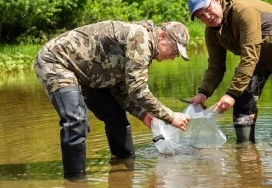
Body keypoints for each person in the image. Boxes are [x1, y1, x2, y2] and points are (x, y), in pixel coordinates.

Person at [34, 20, 191, 179]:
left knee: (116, 116)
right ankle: (75, 180)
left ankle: (124, 169)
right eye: (175, 50)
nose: (173, 57)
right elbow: (138, 89)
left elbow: (121, 90)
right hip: (57, 62)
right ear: (162, 36)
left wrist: (145, 115)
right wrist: (170, 117)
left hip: (89, 74)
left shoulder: (144, 45)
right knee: (77, 121)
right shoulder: (141, 38)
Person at [187, 0, 272, 142]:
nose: (207, 17)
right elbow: (216, 65)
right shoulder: (211, 33)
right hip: (257, 58)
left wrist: (231, 94)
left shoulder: (243, 12)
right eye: (201, 16)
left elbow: (249, 56)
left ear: (216, 0)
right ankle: (245, 152)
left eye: (207, 9)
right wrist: (203, 93)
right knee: (243, 102)